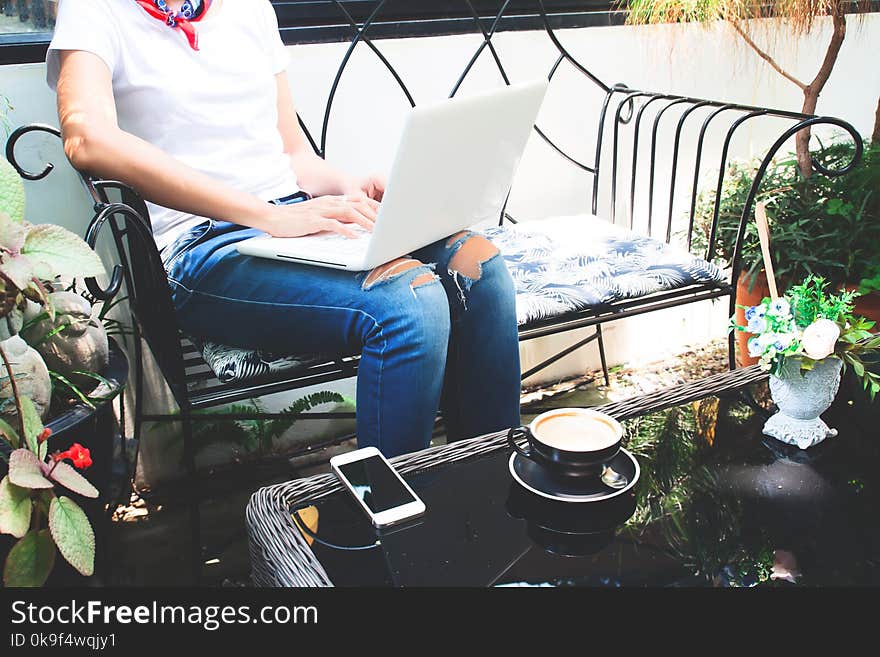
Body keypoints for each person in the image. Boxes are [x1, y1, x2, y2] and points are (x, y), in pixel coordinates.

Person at [46, 0, 522, 457]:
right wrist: (267, 215)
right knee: (410, 304)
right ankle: (381, 528)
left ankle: (490, 488)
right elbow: (86, 136)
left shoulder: (249, 7)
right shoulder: (96, 8)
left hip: (293, 223)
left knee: (478, 267)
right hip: (204, 249)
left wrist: (349, 184)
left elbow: (291, 153)